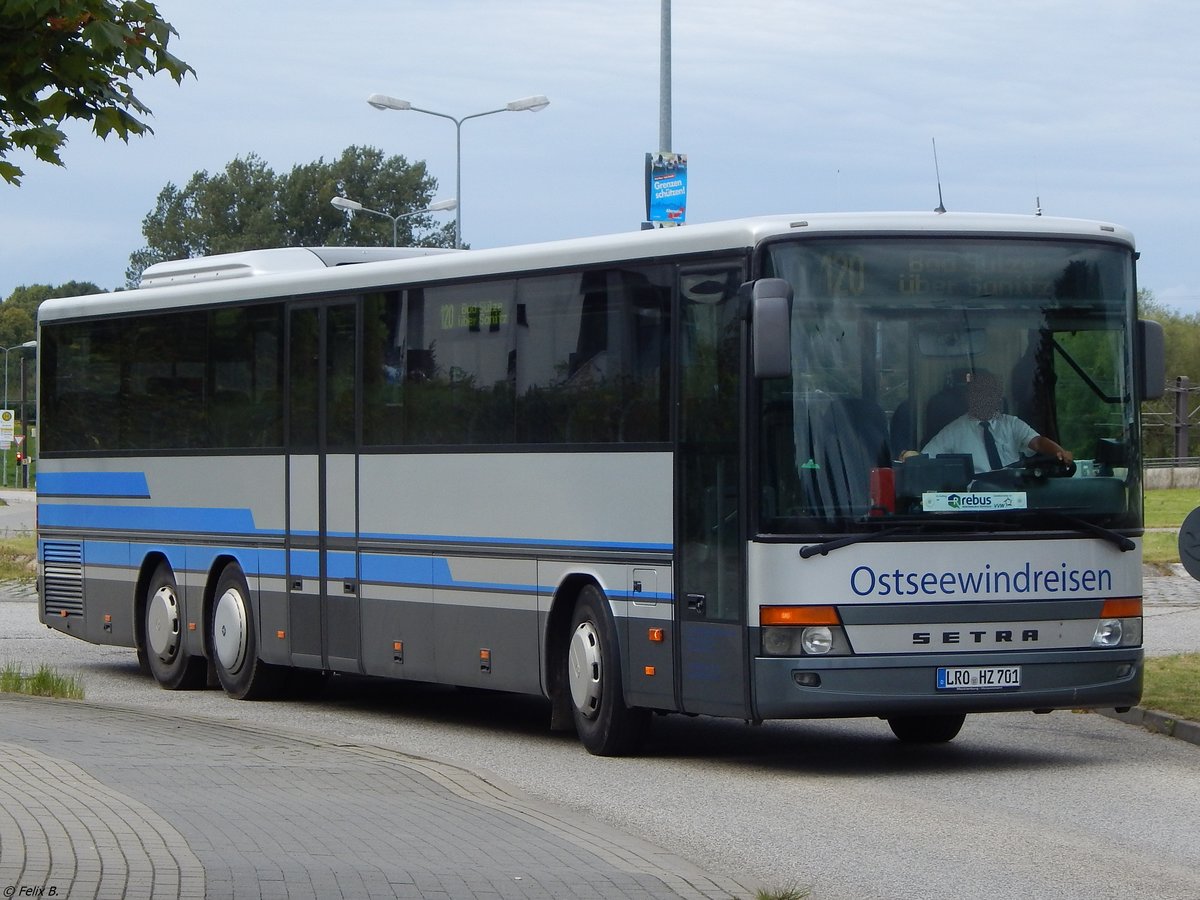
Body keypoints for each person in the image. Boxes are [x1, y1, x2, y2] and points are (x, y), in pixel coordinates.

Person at [917, 371, 1073, 474]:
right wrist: (911, 457)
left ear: (999, 397)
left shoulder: (1012, 424)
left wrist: (1059, 452)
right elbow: (925, 458)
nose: (986, 398)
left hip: (1014, 496)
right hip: (975, 501)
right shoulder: (954, 431)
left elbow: (1038, 442)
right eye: (980, 393)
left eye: (991, 393)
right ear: (969, 397)